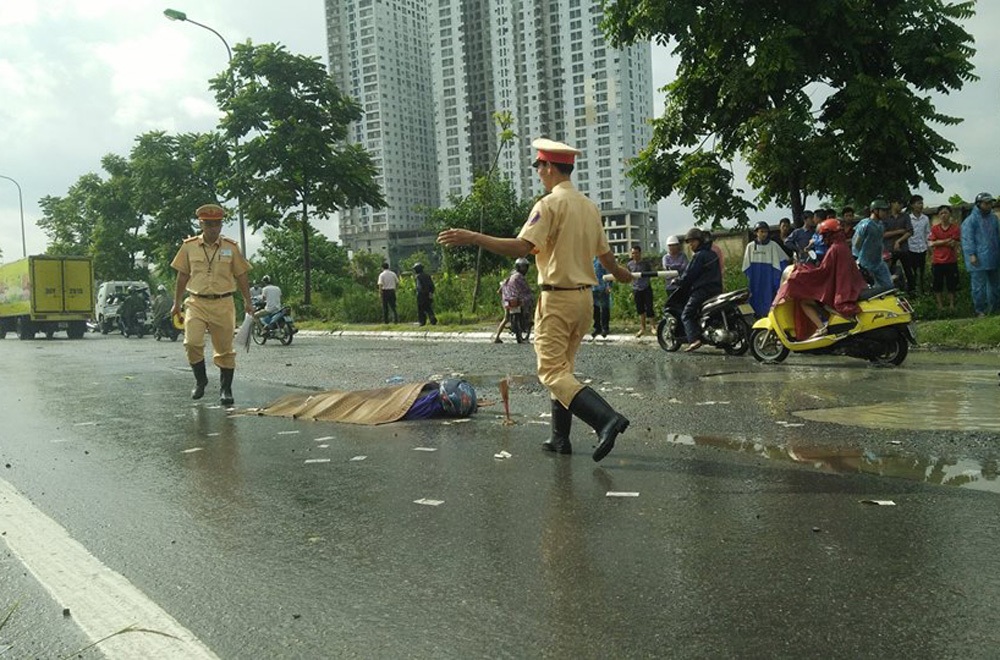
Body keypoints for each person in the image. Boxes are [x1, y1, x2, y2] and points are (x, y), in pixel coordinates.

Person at [437, 137, 633, 462]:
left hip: (557, 300)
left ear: (549, 167)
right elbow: (608, 259)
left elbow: (521, 247)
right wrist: (623, 274)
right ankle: (560, 438)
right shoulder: (589, 206)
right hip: (584, 302)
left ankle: (606, 419)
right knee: (564, 369)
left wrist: (473, 238)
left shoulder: (549, 205)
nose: (538, 172)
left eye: (539, 166)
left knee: (552, 373)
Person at [170, 203, 252, 406]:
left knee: (225, 349)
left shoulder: (231, 248)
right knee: (192, 342)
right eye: (208, 224)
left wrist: (248, 302)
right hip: (196, 302)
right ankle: (201, 380)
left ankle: (226, 390)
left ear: (221, 225)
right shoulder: (189, 246)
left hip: (223, 303)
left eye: (217, 224)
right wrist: (176, 304)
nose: (213, 228)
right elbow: (182, 276)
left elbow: (241, 275)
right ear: (201, 224)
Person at [775, 219, 867, 340]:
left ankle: (821, 328)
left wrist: (800, 275)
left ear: (830, 235)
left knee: (805, 302)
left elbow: (822, 272)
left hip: (840, 292)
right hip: (847, 288)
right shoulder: (842, 246)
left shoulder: (834, 249)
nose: (823, 239)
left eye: (824, 235)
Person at [673, 227, 722, 352]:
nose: (690, 245)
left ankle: (694, 339)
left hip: (702, 291)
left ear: (699, 241)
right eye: (689, 242)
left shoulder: (699, 256)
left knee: (686, 314)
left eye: (692, 242)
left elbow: (689, 274)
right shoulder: (713, 254)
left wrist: (679, 281)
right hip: (716, 290)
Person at [961, 192, 1000, 316]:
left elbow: (997, 236)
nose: (989, 205)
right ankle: (980, 310)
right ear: (979, 204)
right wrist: (971, 254)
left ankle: (994, 309)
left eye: (990, 203)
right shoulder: (970, 220)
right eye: (986, 203)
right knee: (979, 286)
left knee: (995, 285)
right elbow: (967, 238)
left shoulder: (994, 218)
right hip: (977, 258)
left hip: (993, 256)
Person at [742, 221, 788, 318]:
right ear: (756, 232)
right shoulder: (750, 246)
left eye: (766, 232)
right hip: (755, 278)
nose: (764, 234)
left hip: (769, 277)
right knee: (755, 297)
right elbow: (746, 266)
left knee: (769, 297)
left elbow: (783, 260)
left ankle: (769, 317)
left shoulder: (773, 245)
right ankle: (756, 317)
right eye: (761, 231)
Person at [853, 199, 894, 289]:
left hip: (878, 262)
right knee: (871, 290)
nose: (885, 213)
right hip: (865, 264)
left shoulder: (881, 224)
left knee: (889, 287)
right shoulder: (865, 225)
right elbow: (856, 244)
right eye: (883, 210)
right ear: (875, 211)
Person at [928, 204, 961, 312]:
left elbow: (954, 243)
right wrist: (946, 241)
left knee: (952, 285)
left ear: (950, 214)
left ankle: (952, 305)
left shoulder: (955, 228)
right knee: (938, 285)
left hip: (951, 260)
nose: (943, 215)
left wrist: (939, 242)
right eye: (941, 213)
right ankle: (940, 306)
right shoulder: (934, 228)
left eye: (945, 212)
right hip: (937, 261)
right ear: (938, 215)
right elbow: (932, 243)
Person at [493, 257, 534, 343]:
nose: (524, 269)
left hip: (507, 301)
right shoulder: (520, 277)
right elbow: (526, 289)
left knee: (506, 318)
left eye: (525, 267)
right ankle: (528, 322)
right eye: (523, 267)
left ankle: (496, 337)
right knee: (530, 304)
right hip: (516, 300)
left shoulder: (510, 276)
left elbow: (500, 290)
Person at [903, 195, 930, 295]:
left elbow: (927, 233)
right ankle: (912, 291)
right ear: (912, 205)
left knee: (921, 271)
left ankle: (921, 290)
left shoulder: (925, 219)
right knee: (911, 272)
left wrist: (929, 246)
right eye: (918, 203)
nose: (921, 205)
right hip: (911, 248)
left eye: (922, 203)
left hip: (922, 248)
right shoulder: (908, 218)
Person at [627, 244, 654, 337]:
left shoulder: (646, 264)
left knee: (649, 307)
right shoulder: (629, 264)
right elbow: (629, 277)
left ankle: (653, 327)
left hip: (646, 287)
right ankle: (642, 328)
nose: (635, 255)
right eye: (633, 253)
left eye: (636, 253)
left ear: (640, 253)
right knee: (640, 309)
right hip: (636, 289)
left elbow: (651, 274)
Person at [884, 197, 913, 275]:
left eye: (902, 204)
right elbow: (883, 234)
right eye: (899, 204)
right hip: (889, 249)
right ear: (893, 203)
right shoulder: (885, 217)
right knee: (888, 271)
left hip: (903, 248)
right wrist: (899, 231)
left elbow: (909, 232)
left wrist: (899, 241)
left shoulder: (905, 216)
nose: (901, 206)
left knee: (908, 271)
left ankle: (911, 287)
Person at [661, 234, 688, 299]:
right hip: (670, 286)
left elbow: (684, 267)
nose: (672, 247)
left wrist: (673, 268)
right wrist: (678, 267)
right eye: (670, 245)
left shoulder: (683, 256)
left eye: (674, 245)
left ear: (677, 246)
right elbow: (666, 267)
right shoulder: (665, 258)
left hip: (681, 285)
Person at [591, 256, 612, 339]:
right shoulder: (591, 259)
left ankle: (605, 328)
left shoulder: (604, 258)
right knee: (595, 309)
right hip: (593, 287)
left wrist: (609, 285)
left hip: (603, 287)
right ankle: (597, 328)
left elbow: (608, 272)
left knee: (604, 308)